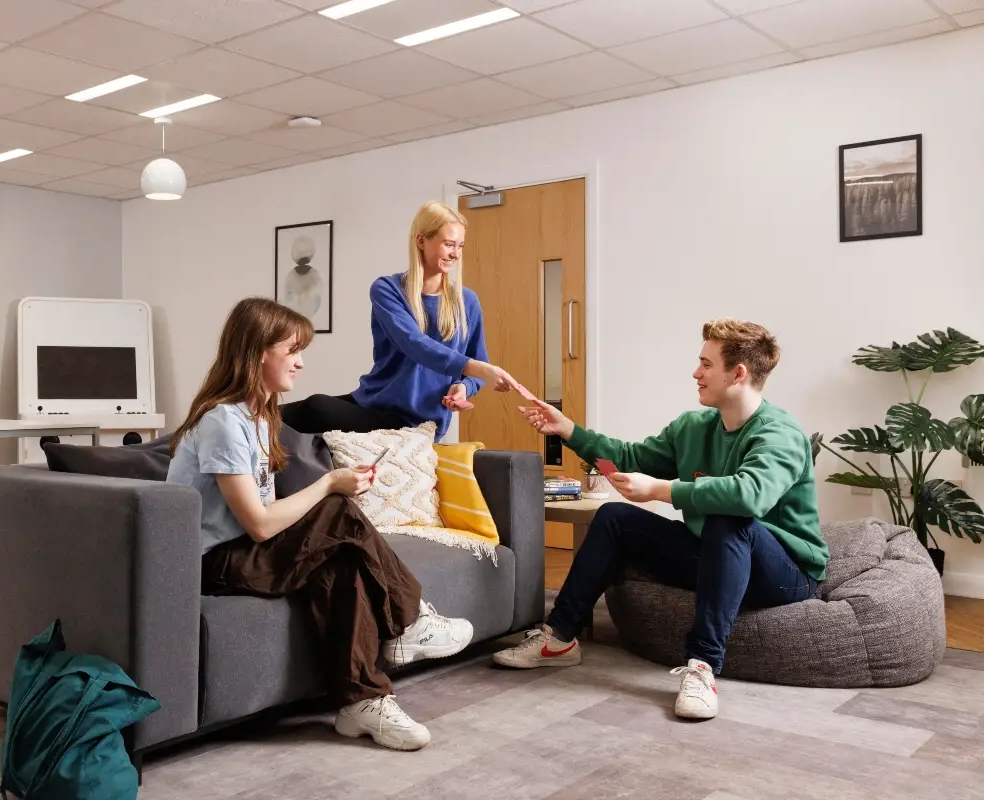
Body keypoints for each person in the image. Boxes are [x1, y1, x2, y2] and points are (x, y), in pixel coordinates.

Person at [167, 296, 475, 751]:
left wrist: (331, 495)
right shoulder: (223, 422)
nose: (301, 362)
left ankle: (360, 704)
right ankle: (410, 621)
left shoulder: (258, 418)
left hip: (245, 549)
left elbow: (268, 516)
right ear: (257, 354)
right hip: (214, 561)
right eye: (292, 351)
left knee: (342, 560)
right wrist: (331, 483)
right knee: (336, 511)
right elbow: (258, 524)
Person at [492, 318, 827, 720]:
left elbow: (750, 495)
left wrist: (660, 490)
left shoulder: (779, 434)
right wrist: (567, 431)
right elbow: (627, 460)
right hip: (715, 555)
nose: (695, 372)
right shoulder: (693, 427)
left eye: (706, 364)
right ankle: (559, 639)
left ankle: (702, 667)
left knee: (728, 517)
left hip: (786, 574)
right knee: (614, 517)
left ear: (738, 373)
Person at [281, 202, 517, 439]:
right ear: (421, 241)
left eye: (460, 246)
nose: (455, 254)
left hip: (412, 421)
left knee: (315, 408)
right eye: (448, 244)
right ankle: (246, 416)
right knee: (292, 412)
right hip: (374, 401)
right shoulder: (387, 289)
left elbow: (477, 361)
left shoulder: (467, 301)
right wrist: (481, 369)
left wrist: (464, 387)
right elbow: (414, 344)